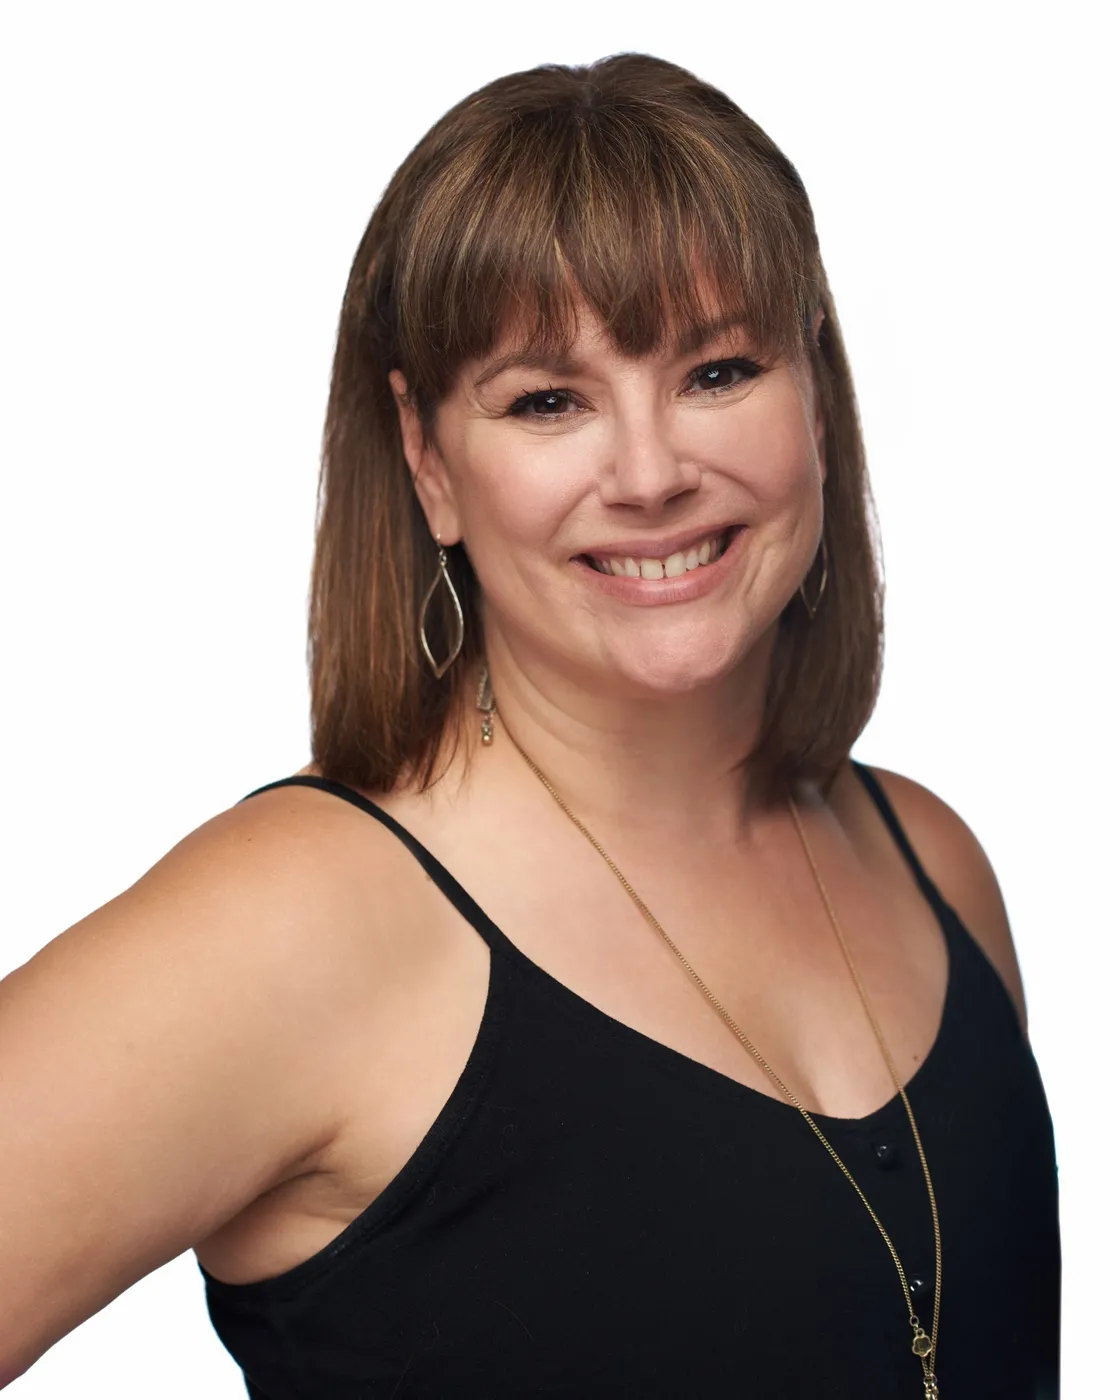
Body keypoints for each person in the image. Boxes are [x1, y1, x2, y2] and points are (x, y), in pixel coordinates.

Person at [0, 53, 1059, 1399]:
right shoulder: (297, 926)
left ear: (816, 392)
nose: (652, 472)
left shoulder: (932, 862)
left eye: (719, 370)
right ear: (429, 459)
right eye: (548, 401)